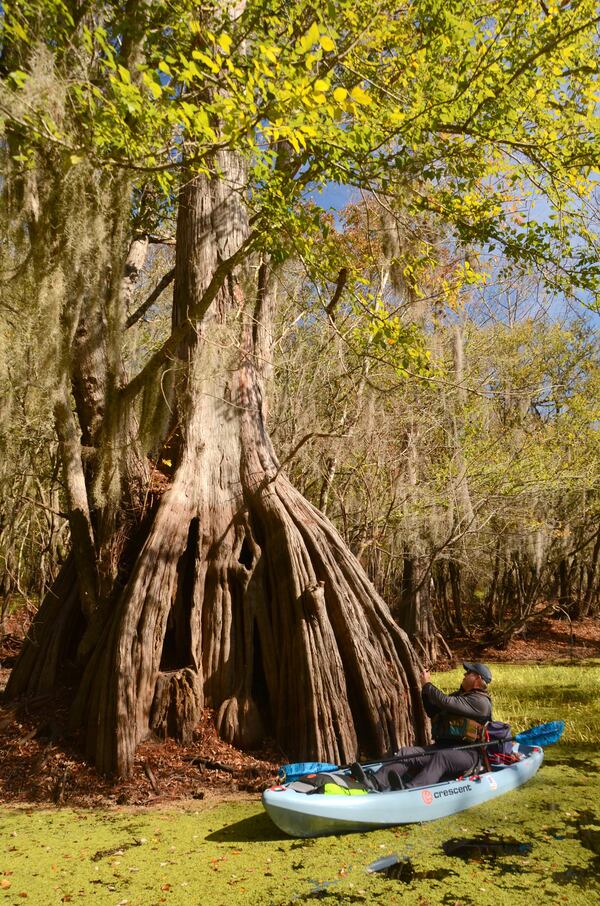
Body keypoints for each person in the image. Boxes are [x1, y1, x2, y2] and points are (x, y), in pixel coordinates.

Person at [352, 662, 493, 791]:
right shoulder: (462, 696)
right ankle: (375, 782)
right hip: (444, 747)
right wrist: (425, 692)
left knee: (442, 757)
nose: (464, 675)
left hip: (468, 754)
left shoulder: (480, 702)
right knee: (406, 753)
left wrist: (427, 685)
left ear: (477, 678)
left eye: (468, 673)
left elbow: (445, 702)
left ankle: (410, 790)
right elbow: (433, 711)